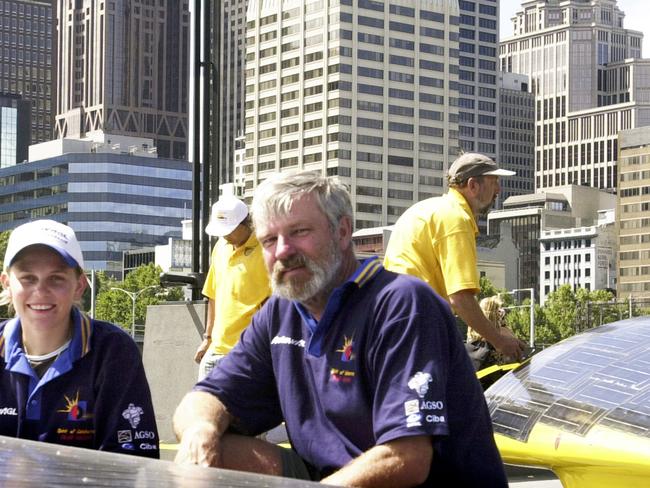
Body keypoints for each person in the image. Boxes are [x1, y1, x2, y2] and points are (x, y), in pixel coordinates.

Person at [173, 171, 508, 487]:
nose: (284, 251)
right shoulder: (280, 311)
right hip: (330, 477)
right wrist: (200, 429)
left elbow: (407, 458)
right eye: (270, 240)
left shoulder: (401, 303)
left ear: (343, 231)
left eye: (300, 232)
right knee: (217, 447)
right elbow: (204, 398)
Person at [0, 219, 159, 457]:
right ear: (6, 284)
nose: (41, 291)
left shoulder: (112, 350)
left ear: (79, 286)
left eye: (56, 278)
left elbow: (131, 459)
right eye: (27, 278)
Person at [384, 152, 526, 361]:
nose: (498, 190)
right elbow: (460, 298)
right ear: (473, 185)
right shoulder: (456, 219)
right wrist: (499, 340)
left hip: (392, 323)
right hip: (417, 326)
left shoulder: (426, 209)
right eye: (493, 182)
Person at [194, 195, 271, 380]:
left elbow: (274, 304)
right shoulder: (220, 247)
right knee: (204, 406)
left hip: (249, 351)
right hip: (215, 350)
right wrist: (208, 338)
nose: (225, 235)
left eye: (229, 230)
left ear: (246, 224)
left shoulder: (267, 251)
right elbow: (212, 294)